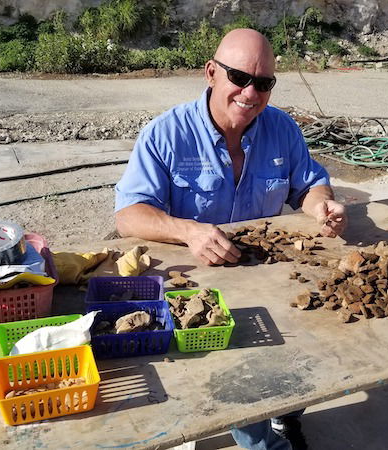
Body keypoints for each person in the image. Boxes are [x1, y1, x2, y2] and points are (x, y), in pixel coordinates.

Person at [114, 28, 347, 449]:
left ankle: (286, 415)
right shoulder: (166, 134)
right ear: (211, 73)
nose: (250, 93)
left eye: (263, 83)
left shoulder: (282, 129)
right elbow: (129, 215)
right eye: (239, 77)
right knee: (242, 388)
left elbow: (309, 184)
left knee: (313, 348)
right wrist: (187, 230)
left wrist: (321, 206)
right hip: (203, 290)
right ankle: (262, 439)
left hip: (271, 278)